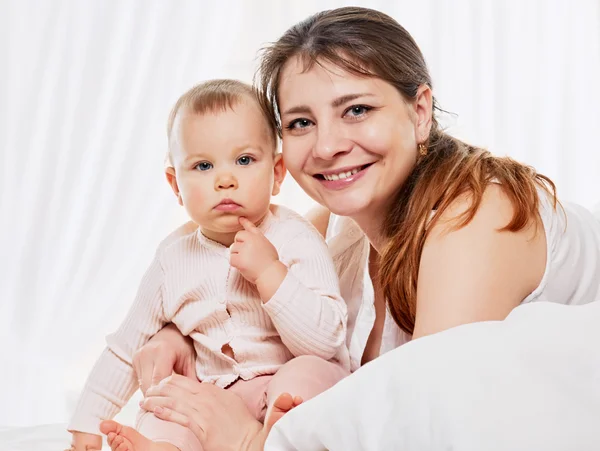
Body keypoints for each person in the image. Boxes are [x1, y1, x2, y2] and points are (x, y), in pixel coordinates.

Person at [116, 6, 600, 450]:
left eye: (356, 110)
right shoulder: (333, 228)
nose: (326, 146)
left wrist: (247, 442)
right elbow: (247, 305)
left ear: (420, 111)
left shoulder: (476, 219)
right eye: (301, 122)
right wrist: (175, 339)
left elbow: (424, 429)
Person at [66, 79, 350, 451]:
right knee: (166, 403)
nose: (225, 180)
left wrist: (270, 274)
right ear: (175, 185)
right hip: (212, 401)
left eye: (245, 160)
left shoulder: (295, 237)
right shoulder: (172, 260)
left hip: (280, 386)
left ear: (277, 173)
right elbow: (126, 348)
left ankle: (279, 436)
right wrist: (86, 423)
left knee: (308, 376)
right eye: (202, 165)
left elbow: (326, 340)